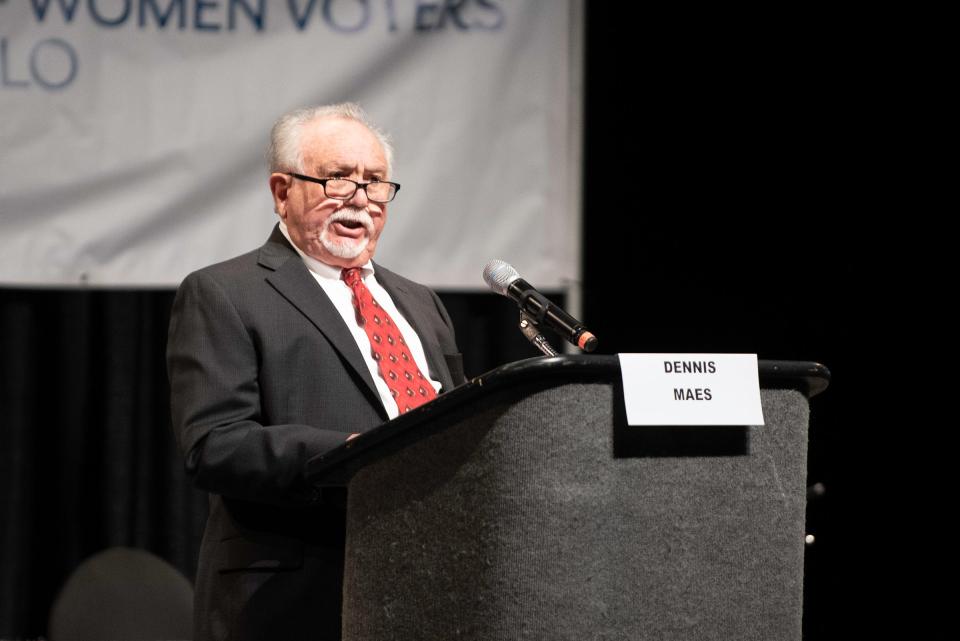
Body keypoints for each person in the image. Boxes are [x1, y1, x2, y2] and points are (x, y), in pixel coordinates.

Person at [166, 103, 465, 641]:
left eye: (375, 183)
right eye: (337, 179)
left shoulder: (422, 304)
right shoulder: (226, 293)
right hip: (296, 599)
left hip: (429, 585)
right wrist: (352, 455)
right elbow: (213, 444)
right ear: (282, 192)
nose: (361, 199)